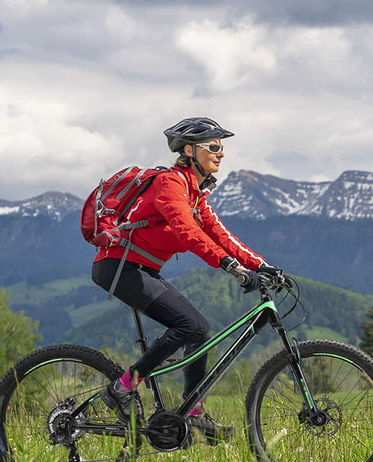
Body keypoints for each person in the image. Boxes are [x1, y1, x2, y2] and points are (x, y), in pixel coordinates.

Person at [91, 116, 282, 440]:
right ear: (190, 150)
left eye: (221, 147)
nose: (221, 153)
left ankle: (192, 412)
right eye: (214, 147)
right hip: (118, 267)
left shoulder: (195, 194)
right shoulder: (170, 184)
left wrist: (260, 265)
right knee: (188, 325)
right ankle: (122, 388)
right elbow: (188, 231)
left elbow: (220, 234)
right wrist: (230, 266)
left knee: (199, 329)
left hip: (142, 270)